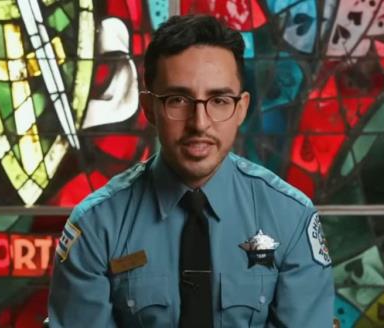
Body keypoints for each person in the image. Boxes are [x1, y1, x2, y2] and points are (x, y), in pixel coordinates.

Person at [48, 14, 334, 327]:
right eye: (178, 100)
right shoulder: (96, 226)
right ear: (149, 108)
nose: (199, 123)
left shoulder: (290, 218)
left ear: (241, 109)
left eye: (219, 100)